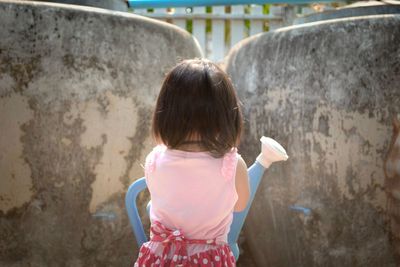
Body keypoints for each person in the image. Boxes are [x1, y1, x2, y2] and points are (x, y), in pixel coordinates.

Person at [134, 59, 287, 267]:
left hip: (161, 259)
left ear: (165, 114)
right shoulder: (231, 164)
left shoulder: (155, 159)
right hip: (208, 260)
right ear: (226, 117)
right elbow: (240, 204)